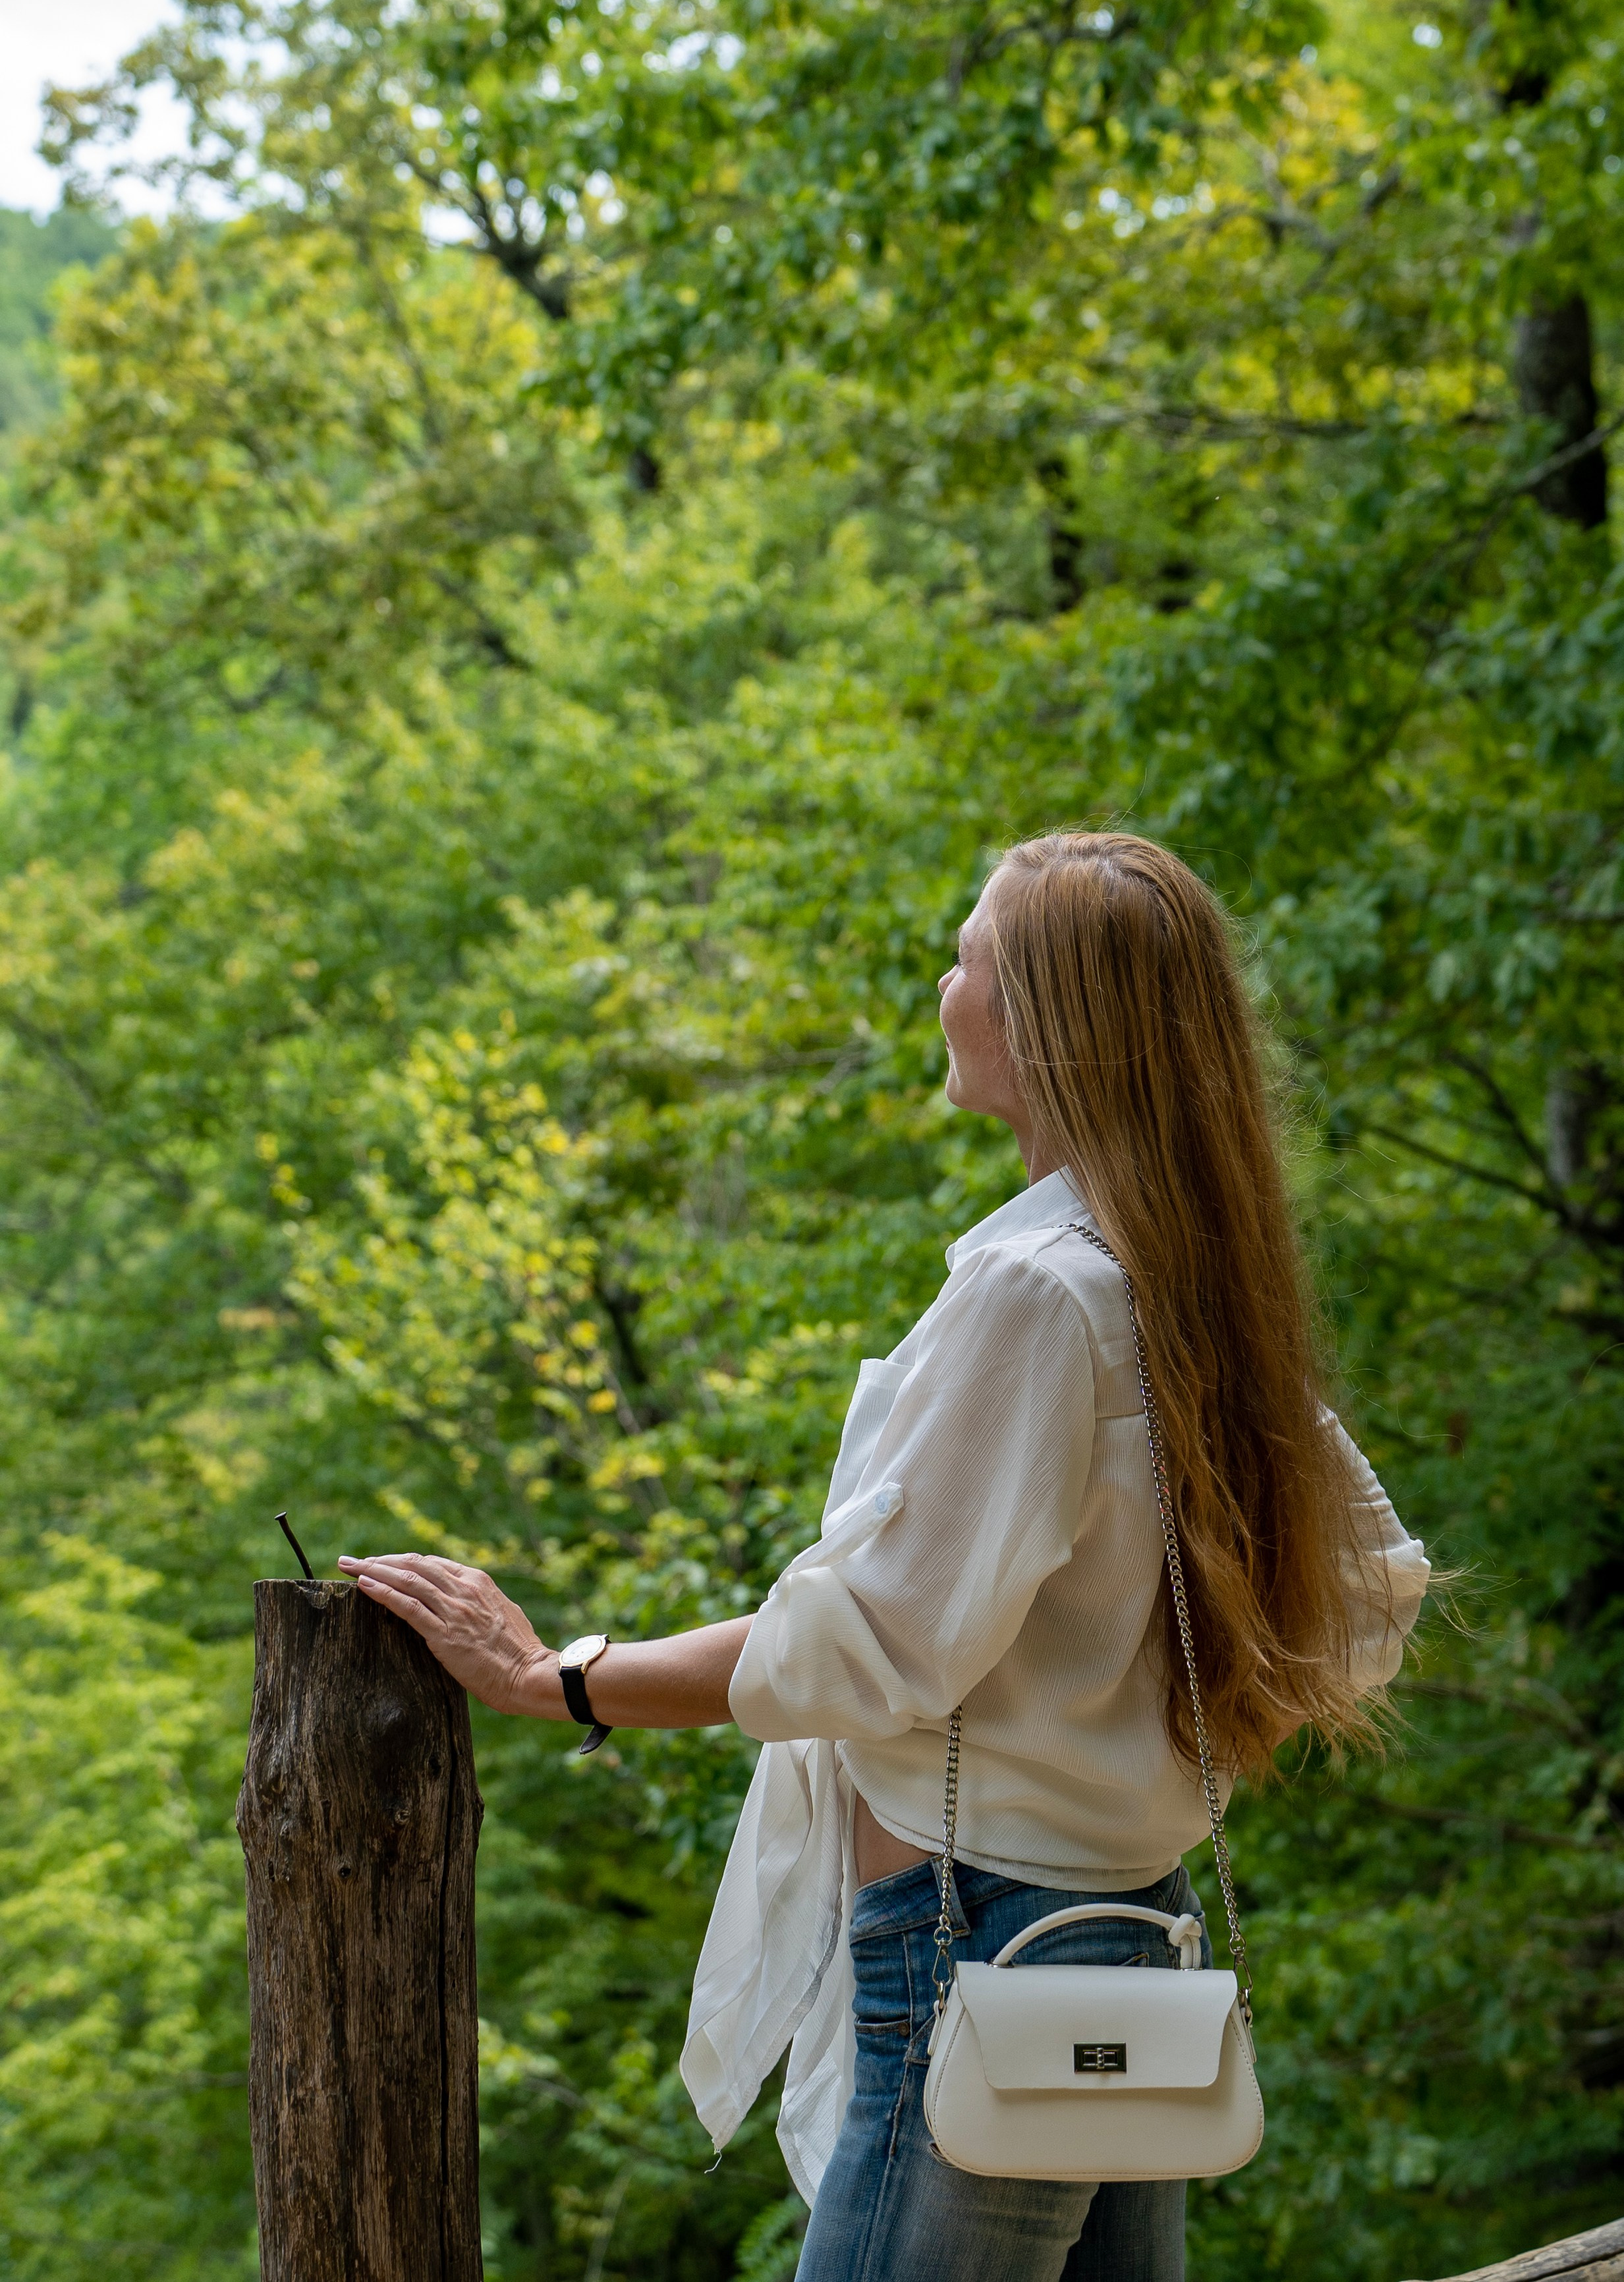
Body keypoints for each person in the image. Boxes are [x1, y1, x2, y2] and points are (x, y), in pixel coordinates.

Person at [339, 830, 1430, 2282]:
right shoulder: (1179, 1272)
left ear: (1042, 1022)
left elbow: (864, 1639)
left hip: (987, 1942)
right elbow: (1361, 1590)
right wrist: (1132, 1743)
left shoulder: (1040, 1289)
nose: (944, 986)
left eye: (968, 959)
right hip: (1128, 1930)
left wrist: (558, 1678)